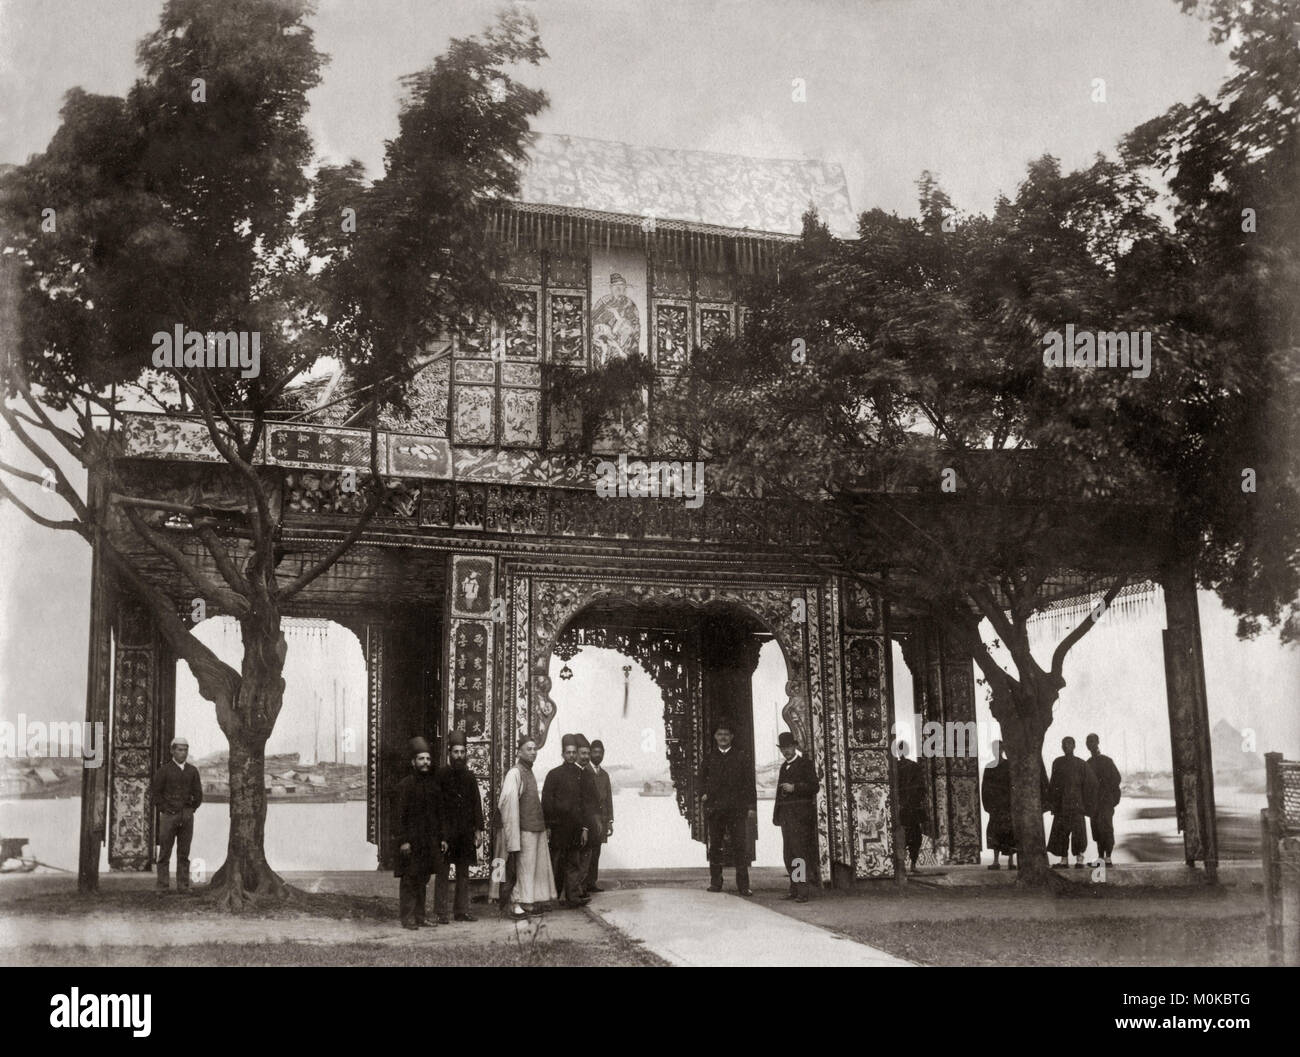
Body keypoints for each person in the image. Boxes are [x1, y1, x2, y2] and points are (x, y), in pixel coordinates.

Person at [491, 735, 556, 918]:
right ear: (519, 751)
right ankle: (514, 903)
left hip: (534, 829)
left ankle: (528, 902)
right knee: (518, 868)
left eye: (535, 749)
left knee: (531, 869)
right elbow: (509, 803)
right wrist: (513, 836)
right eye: (529, 749)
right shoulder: (515, 773)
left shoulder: (529, 771)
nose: (533, 752)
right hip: (521, 830)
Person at [698, 718, 756, 896]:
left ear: (732, 737)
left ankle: (743, 886)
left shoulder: (741, 757)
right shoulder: (709, 758)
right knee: (715, 847)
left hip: (737, 810)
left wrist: (751, 806)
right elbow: (701, 780)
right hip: (716, 810)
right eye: (719, 734)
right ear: (715, 737)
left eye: (726, 734)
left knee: (740, 846)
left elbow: (749, 783)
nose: (723, 737)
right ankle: (716, 882)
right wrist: (704, 794)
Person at [435, 730, 485, 923]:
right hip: (446, 833)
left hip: (465, 833)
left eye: (462, 752)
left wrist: (478, 830)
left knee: (463, 873)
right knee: (443, 872)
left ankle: (461, 911)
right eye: (456, 752)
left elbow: (476, 804)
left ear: (466, 753)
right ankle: (441, 912)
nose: (459, 756)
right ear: (449, 752)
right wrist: (440, 834)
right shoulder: (440, 775)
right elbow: (436, 807)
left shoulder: (470, 777)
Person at [394, 736, 442, 929]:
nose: (425, 763)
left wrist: (441, 839)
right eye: (421, 759)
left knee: (423, 878)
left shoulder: (432, 785)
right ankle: (408, 918)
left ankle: (420, 916)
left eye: (428, 759)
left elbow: (437, 815)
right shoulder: (404, 786)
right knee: (409, 879)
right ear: (413, 762)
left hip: (427, 842)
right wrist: (403, 841)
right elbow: (398, 817)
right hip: (410, 842)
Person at [542, 733, 592, 907]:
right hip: (558, 829)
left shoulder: (582, 775)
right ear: (562, 754)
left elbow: (586, 804)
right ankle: (552, 898)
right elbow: (546, 802)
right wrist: (548, 826)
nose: (571, 755)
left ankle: (572, 898)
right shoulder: (553, 774)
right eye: (568, 752)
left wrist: (585, 828)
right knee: (555, 863)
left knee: (573, 863)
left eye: (573, 752)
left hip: (575, 829)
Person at [149, 735, 203, 891]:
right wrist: (166, 809)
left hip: (187, 816)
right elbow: (155, 795)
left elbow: (198, 794)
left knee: (184, 852)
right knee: (165, 852)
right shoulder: (163, 771)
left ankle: (183, 885)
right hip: (168, 816)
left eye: (185, 750)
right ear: (172, 751)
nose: (183, 753)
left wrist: (190, 809)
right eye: (180, 750)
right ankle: (163, 886)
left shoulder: (192, 771)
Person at [773, 731, 818, 902]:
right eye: (783, 748)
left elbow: (814, 787)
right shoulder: (784, 767)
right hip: (786, 816)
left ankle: (802, 891)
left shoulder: (805, 764)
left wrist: (795, 788)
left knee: (799, 853)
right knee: (789, 853)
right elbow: (779, 794)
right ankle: (794, 888)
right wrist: (777, 815)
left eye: (789, 747)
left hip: (800, 816)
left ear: (795, 746)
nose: (786, 751)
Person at [1047, 736, 1098, 869]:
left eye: (1069, 744)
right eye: (1064, 744)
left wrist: (1085, 801)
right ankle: (1064, 860)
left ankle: (1079, 859)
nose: (1066, 747)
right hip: (1062, 805)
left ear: (1074, 746)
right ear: (1061, 747)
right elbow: (1053, 784)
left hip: (1077, 805)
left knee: (1079, 833)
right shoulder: (1057, 763)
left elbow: (1092, 783)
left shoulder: (1081, 764)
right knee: (1061, 833)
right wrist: (1053, 803)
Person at [1085, 733, 1122, 867]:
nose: (1090, 744)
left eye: (1092, 741)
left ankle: (1108, 858)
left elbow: (1117, 779)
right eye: (1088, 742)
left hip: (1106, 802)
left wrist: (1110, 796)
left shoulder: (1107, 761)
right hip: (1094, 803)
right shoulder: (1087, 763)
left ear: (1098, 742)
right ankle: (1100, 858)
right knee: (1096, 830)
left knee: (1106, 828)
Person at [982, 740, 1016, 870]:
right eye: (995, 748)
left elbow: (1013, 785)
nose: (997, 751)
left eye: (999, 748)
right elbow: (985, 787)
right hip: (995, 805)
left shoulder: (1009, 765)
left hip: (1007, 804)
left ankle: (1011, 861)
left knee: (1010, 832)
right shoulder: (989, 766)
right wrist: (987, 804)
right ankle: (996, 861)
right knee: (995, 832)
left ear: (1003, 750)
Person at [586, 739, 614, 893]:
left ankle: (592, 883)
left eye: (600, 752)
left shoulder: (604, 775)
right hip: (589, 820)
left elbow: (609, 798)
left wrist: (609, 821)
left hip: (602, 820)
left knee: (596, 851)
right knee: (586, 852)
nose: (598, 755)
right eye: (595, 752)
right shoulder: (585, 772)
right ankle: (582, 884)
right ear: (590, 753)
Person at [895, 741, 927, 872]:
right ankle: (913, 865)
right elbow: (922, 789)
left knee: (902, 837)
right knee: (915, 837)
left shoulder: (895, 767)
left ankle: (901, 865)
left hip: (901, 809)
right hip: (912, 809)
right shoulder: (914, 766)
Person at [573, 733, 600, 896]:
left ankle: (580, 889)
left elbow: (592, 802)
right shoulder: (570, 773)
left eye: (587, 754)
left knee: (585, 859)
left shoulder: (587, 774)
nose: (586, 757)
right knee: (575, 861)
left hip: (587, 826)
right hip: (576, 826)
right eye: (583, 754)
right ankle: (574, 891)